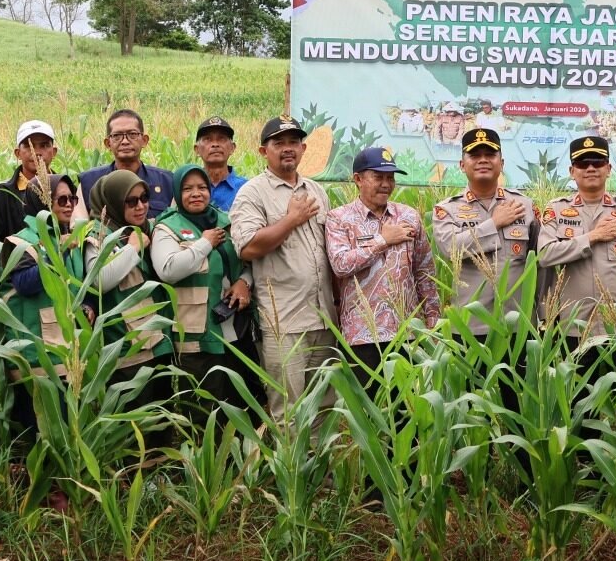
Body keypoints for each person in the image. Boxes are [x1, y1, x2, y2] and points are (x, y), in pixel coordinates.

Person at [229, 115, 338, 413]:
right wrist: (291, 220)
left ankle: (319, 462)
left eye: (293, 142)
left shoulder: (317, 191)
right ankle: (288, 462)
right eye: (279, 143)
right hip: (285, 324)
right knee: (287, 413)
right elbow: (248, 247)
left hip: (324, 319)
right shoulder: (252, 193)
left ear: (303, 149)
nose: (287, 148)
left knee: (323, 408)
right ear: (264, 151)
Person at [325, 147, 440, 391]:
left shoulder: (408, 216)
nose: (386, 184)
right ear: (358, 179)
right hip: (362, 335)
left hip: (408, 333)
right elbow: (341, 264)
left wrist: (432, 318)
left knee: (407, 412)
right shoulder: (339, 219)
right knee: (369, 412)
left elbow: (424, 271)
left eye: (390, 178)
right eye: (378, 177)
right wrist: (382, 240)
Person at [537, 136, 616, 343]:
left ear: (608, 168)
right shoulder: (557, 209)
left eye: (598, 162)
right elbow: (544, 255)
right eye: (583, 163)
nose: (591, 168)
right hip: (573, 327)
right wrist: (593, 236)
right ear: (572, 171)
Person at [151, 165, 252, 399]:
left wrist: (244, 282)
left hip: (234, 329)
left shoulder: (224, 220)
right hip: (195, 335)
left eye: (202, 187)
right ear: (177, 193)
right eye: (187, 189)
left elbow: (249, 262)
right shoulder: (167, 227)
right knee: (202, 407)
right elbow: (168, 270)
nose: (196, 193)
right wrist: (205, 243)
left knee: (240, 401)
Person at [431, 128, 538, 335]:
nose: (483, 160)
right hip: (470, 325)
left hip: (517, 323)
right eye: (475, 155)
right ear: (462, 165)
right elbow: (450, 249)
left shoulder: (524, 205)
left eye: (490, 155)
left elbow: (538, 262)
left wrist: (542, 313)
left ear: (502, 163)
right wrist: (494, 223)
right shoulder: (447, 209)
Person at [0, 174, 84, 431]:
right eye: (61, 199)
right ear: (41, 202)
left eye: (73, 198)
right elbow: (25, 284)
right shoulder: (21, 242)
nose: (69, 204)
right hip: (36, 355)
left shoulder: (69, 238)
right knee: (43, 428)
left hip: (66, 348)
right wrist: (57, 252)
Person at [83, 169, 162, 367]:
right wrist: (132, 248)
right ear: (113, 203)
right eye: (131, 201)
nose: (141, 206)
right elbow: (99, 280)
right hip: (126, 351)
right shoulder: (98, 234)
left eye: (144, 198)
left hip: (158, 341)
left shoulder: (146, 228)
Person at [77, 109, 175, 222]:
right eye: (117, 135)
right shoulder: (89, 181)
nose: (125, 141)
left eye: (132, 134)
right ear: (108, 143)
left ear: (144, 140)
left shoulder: (167, 181)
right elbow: (78, 226)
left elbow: (175, 225)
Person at [0, 120, 61, 260]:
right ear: (18, 153)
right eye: (29, 146)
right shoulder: (3, 193)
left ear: (53, 152)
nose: (37, 152)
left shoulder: (64, 190)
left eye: (44, 145)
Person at [193, 116, 247, 212]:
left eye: (221, 139)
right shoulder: (188, 187)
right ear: (197, 149)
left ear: (232, 148)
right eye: (207, 139)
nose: (215, 144)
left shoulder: (246, 188)